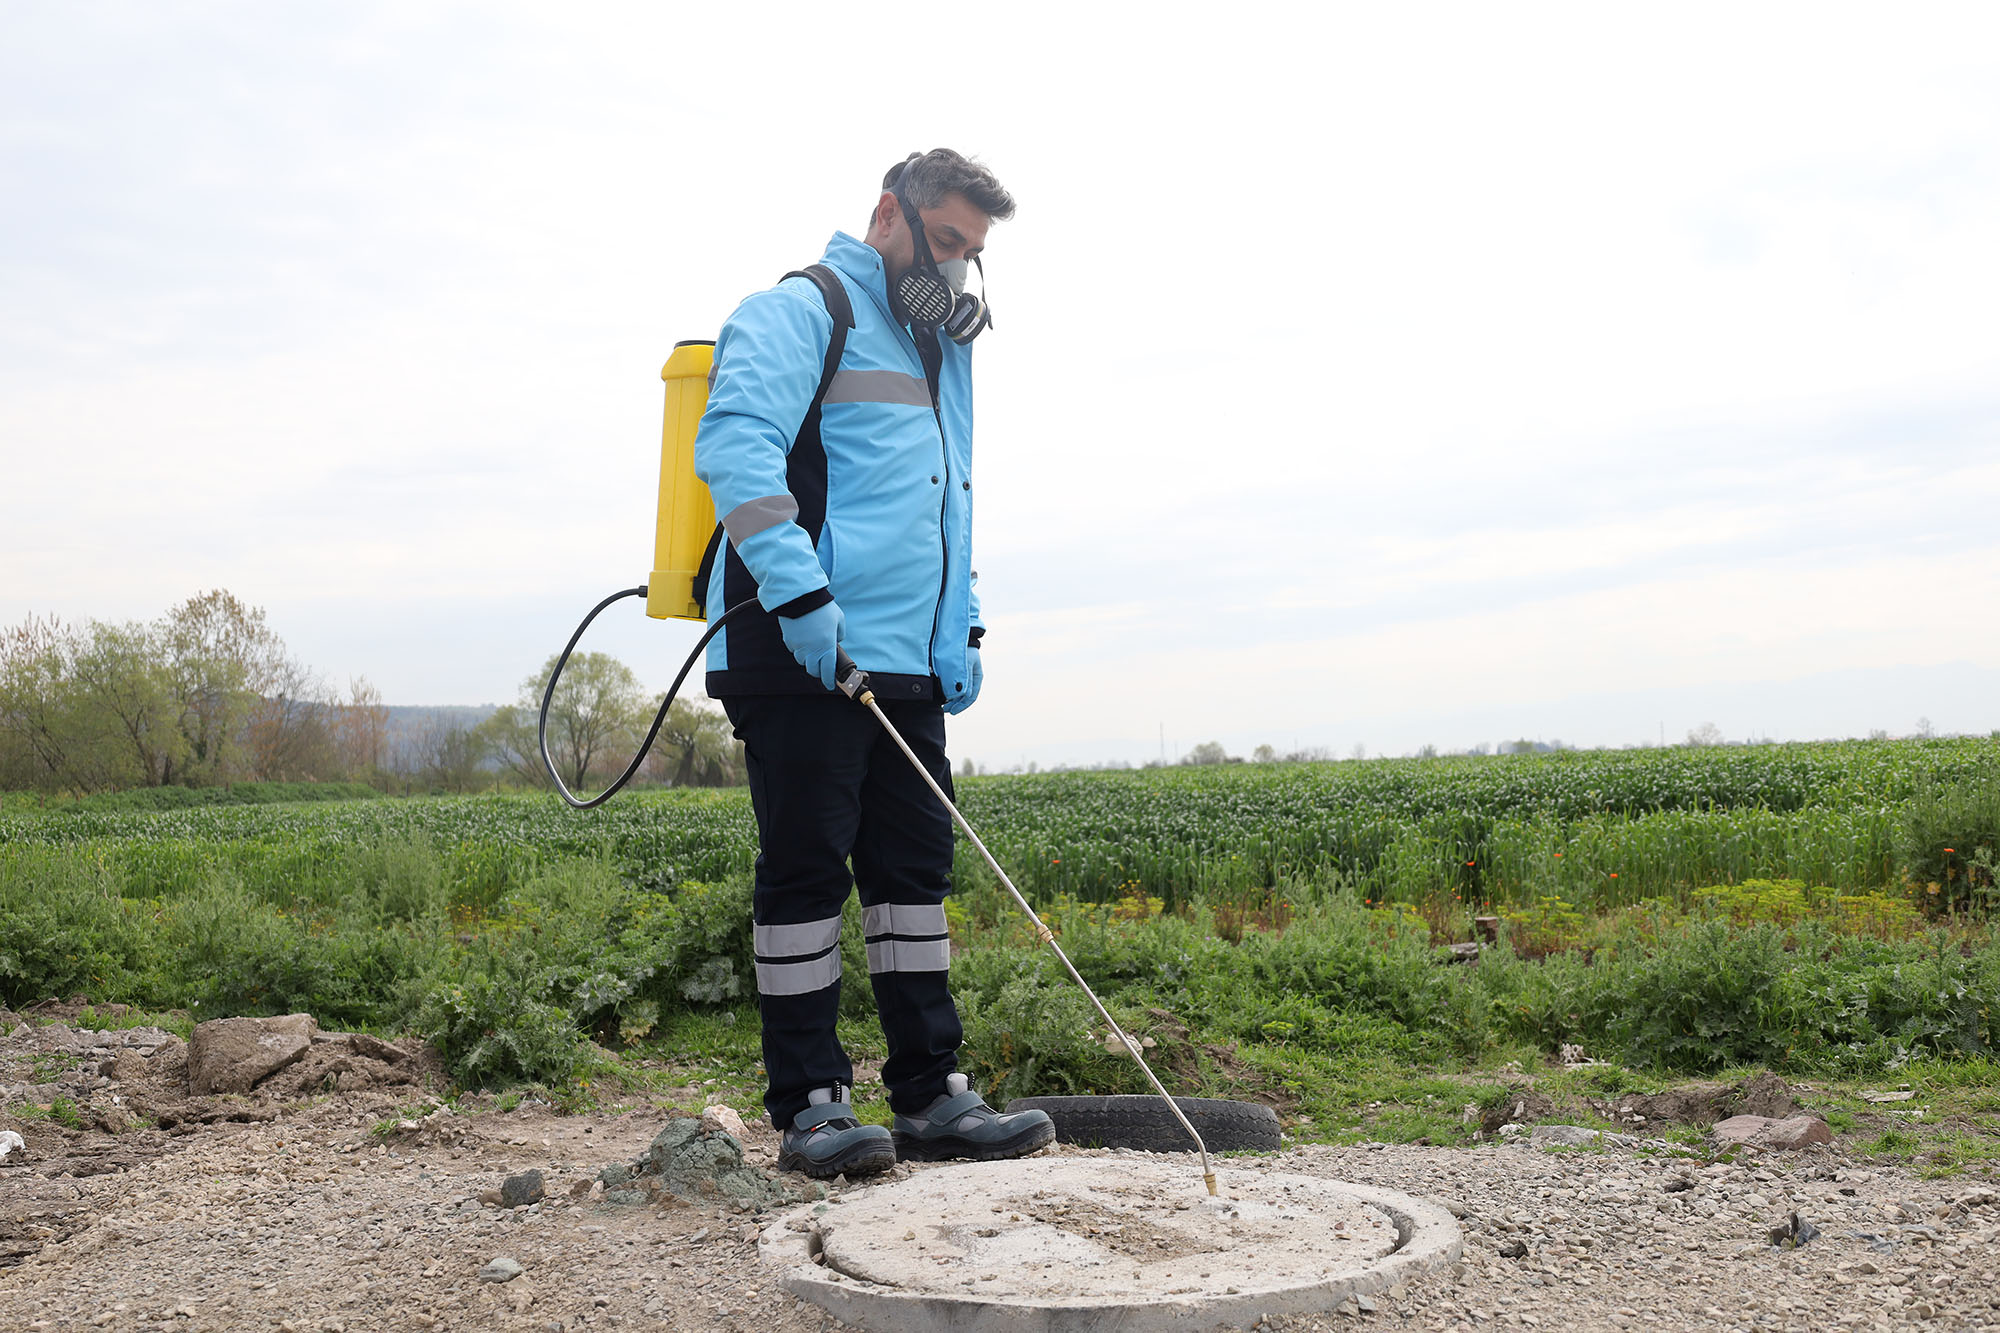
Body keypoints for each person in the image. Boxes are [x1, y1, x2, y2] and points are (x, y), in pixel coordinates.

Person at [692, 149, 1054, 1178]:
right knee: (806, 873)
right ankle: (809, 1104)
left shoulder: (941, 346)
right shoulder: (798, 309)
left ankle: (931, 1097)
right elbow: (735, 451)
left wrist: (964, 624)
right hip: (797, 645)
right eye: (944, 242)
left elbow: (944, 498)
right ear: (886, 214)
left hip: (906, 659)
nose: (954, 270)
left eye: (971, 255)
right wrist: (804, 599)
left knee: (911, 881)